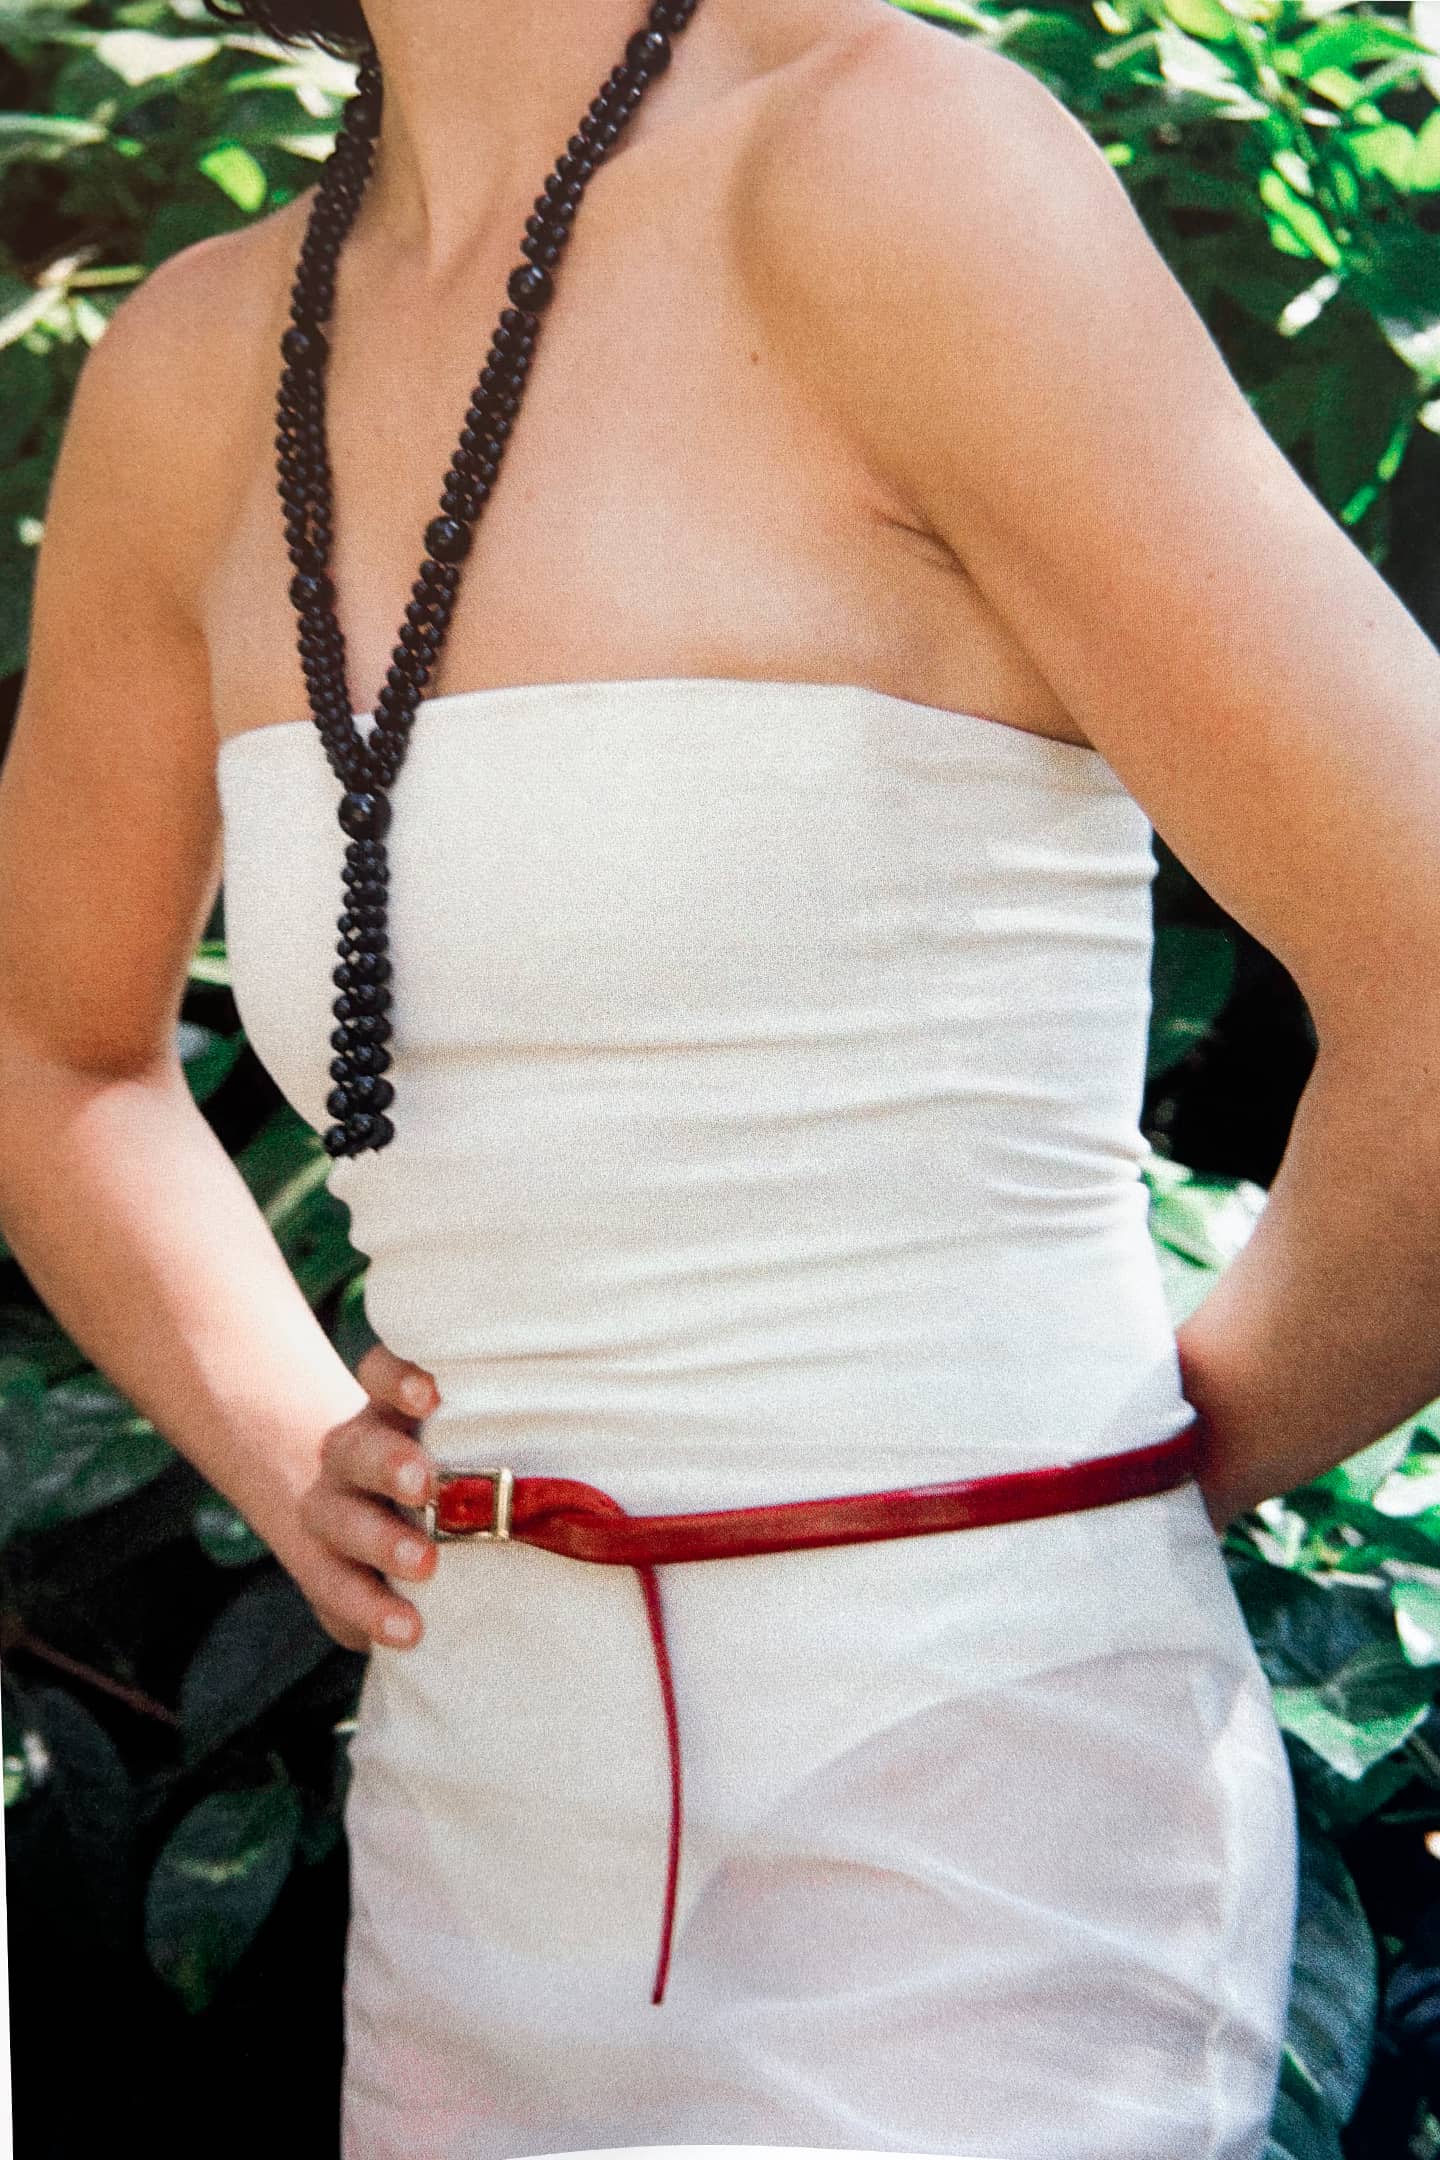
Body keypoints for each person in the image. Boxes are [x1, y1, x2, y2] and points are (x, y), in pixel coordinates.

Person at [2, 0, 1439, 2151]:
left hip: (977, 1825)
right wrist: (285, 1443)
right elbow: (50, 1048)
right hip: (476, 1847)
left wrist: (1123, 1483)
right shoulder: (197, 370)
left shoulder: (893, 169)